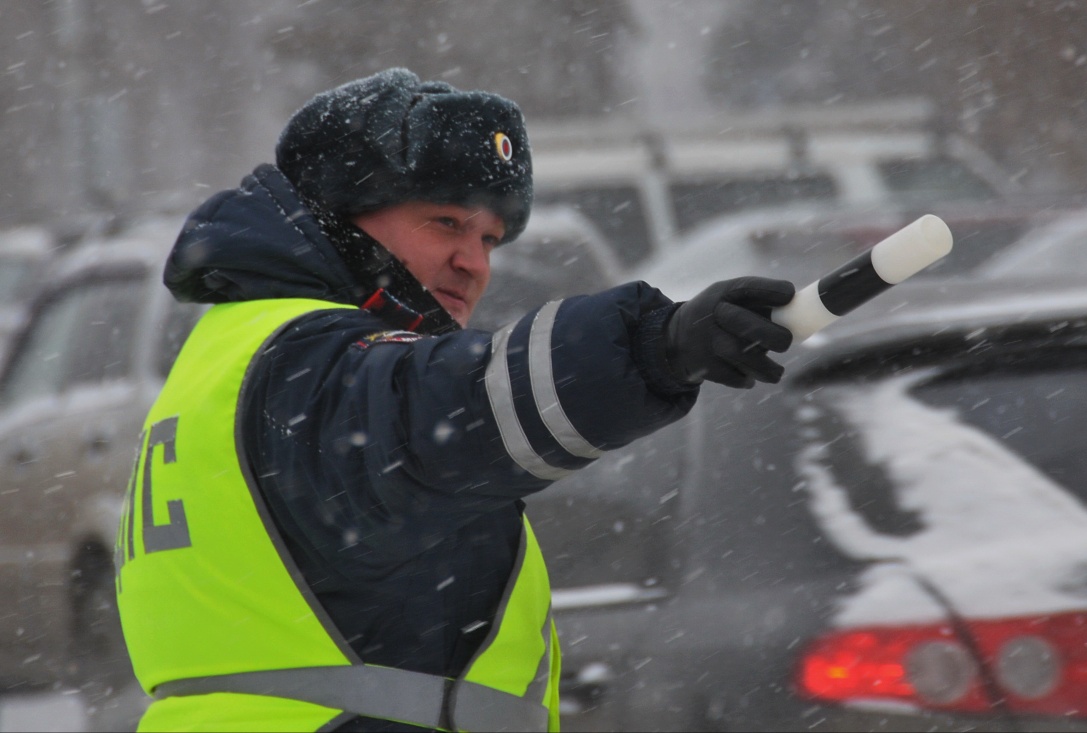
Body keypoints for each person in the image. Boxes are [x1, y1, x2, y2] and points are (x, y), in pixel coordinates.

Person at [113, 67, 795, 732]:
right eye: (445, 222)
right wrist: (654, 345)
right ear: (339, 221)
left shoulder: (234, 354)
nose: (474, 261)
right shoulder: (309, 364)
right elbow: (454, 407)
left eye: (489, 239)